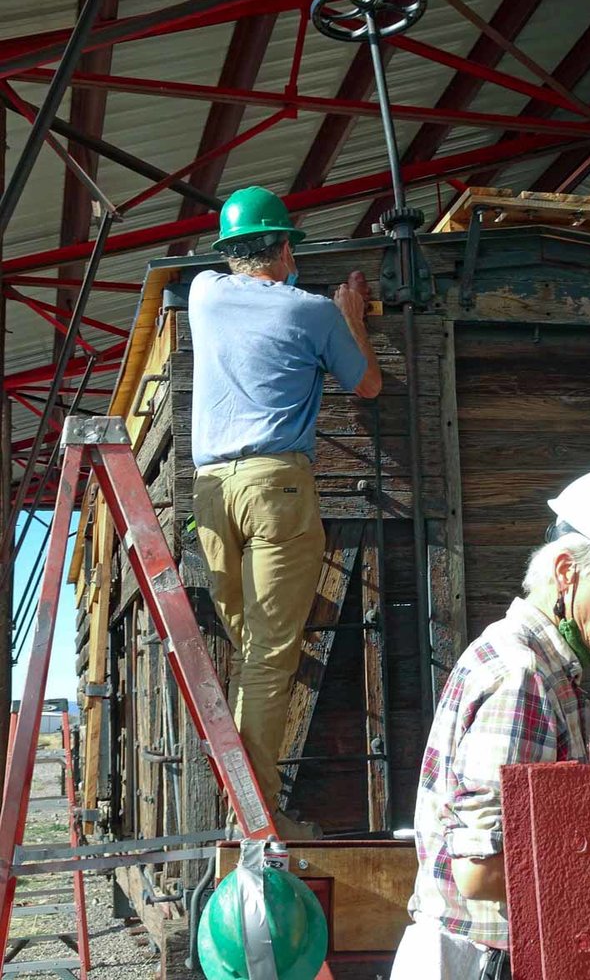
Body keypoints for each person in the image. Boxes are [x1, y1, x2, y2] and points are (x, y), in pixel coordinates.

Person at [391, 465, 590, 979]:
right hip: (483, 964)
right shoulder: (521, 676)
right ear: (568, 571)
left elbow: (535, 835)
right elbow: (480, 872)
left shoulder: (544, 670)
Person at [189, 185, 382, 840]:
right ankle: (258, 818)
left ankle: (243, 803)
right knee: (270, 657)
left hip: (212, 491)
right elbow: (367, 384)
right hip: (277, 487)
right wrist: (349, 313)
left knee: (248, 652)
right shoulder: (312, 313)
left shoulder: (203, 295)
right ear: (284, 246)